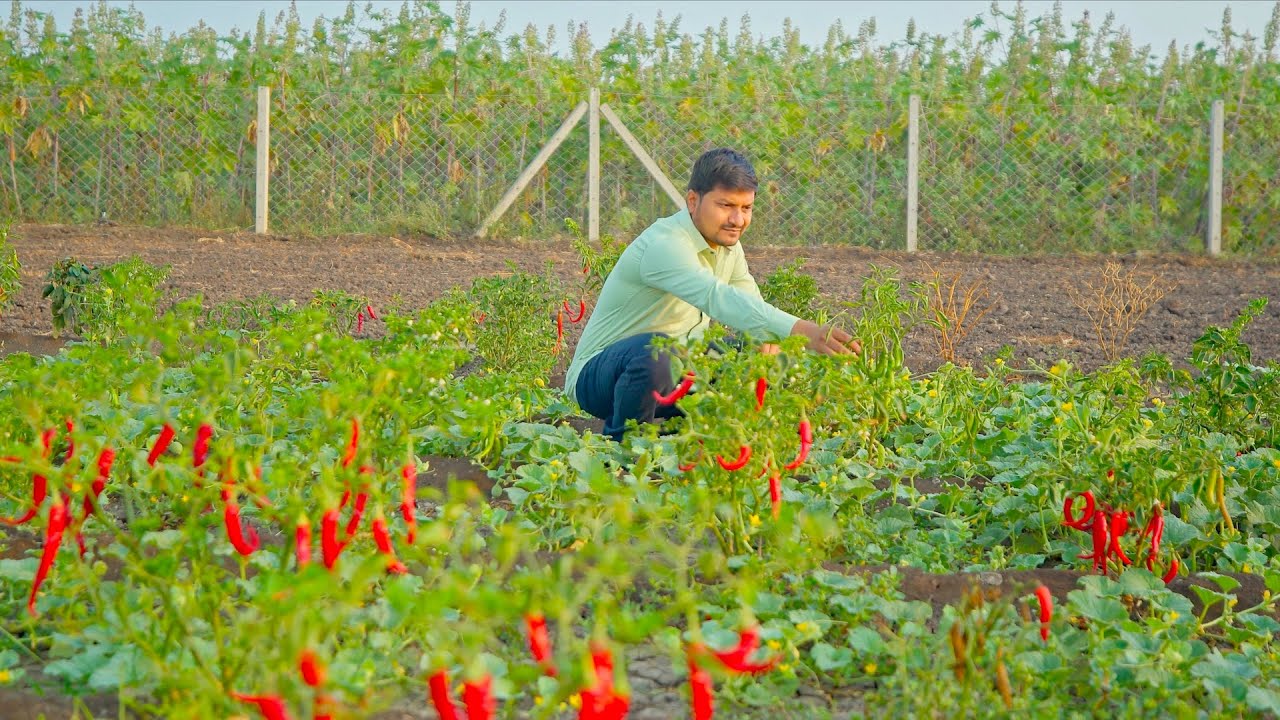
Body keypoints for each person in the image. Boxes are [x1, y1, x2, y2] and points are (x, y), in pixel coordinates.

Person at [565, 148, 858, 441]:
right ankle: (623, 447)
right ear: (693, 201)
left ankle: (711, 439)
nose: (737, 219)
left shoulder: (729, 248)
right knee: (657, 351)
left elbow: (750, 305)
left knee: (753, 353)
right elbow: (718, 298)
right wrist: (802, 330)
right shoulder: (665, 244)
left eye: (746, 208)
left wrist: (771, 344)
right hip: (601, 380)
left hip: (674, 373)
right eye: (726, 205)